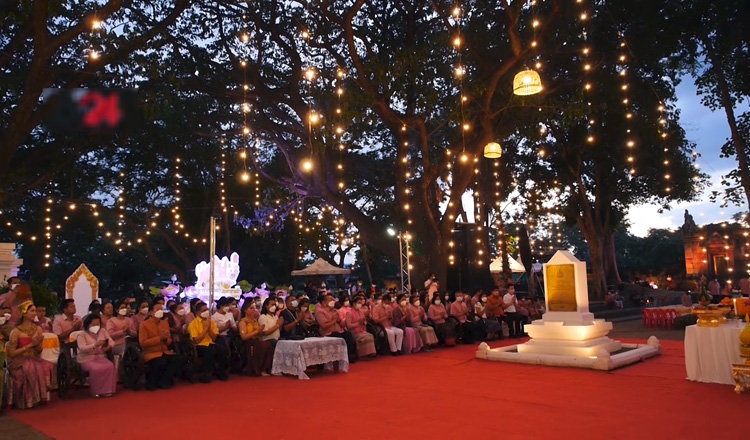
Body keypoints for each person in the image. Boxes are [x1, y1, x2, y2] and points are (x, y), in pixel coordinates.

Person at [6, 301, 53, 408]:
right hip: (18, 361)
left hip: (33, 358)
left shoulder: (38, 329)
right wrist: (31, 344)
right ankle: (29, 401)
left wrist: (38, 345)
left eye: (35, 311)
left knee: (47, 365)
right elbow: (12, 353)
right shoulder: (16, 331)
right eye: (32, 311)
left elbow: (38, 352)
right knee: (30, 367)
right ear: (24, 313)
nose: (35, 313)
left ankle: (39, 397)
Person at [138, 303, 183, 391]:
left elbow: (169, 340)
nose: (160, 311)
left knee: (178, 359)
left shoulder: (164, 323)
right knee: (160, 361)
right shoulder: (144, 325)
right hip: (151, 353)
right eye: (157, 309)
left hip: (165, 351)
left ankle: (165, 380)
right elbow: (143, 342)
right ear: (151, 312)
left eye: (161, 309)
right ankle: (153, 382)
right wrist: (159, 338)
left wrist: (166, 339)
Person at [76, 314, 117, 397]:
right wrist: (95, 345)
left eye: (97, 324)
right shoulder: (82, 335)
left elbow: (112, 342)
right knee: (96, 369)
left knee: (110, 366)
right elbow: (82, 348)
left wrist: (108, 346)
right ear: (88, 324)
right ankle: (96, 391)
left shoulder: (102, 331)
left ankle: (107, 390)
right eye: (93, 325)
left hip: (101, 357)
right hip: (86, 359)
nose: (96, 326)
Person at [187, 302, 228, 382]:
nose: (206, 312)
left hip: (210, 343)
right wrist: (205, 328)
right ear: (198, 312)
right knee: (210, 351)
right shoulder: (193, 324)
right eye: (204, 310)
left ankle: (221, 372)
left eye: (207, 310)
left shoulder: (210, 321)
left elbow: (214, 338)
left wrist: (209, 328)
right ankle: (205, 374)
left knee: (222, 349)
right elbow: (196, 340)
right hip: (199, 345)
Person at [315, 294, 359, 362]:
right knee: (337, 335)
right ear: (324, 302)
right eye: (330, 300)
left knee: (348, 334)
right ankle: (338, 358)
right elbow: (323, 326)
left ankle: (349, 355)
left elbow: (342, 325)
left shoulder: (336, 311)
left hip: (339, 331)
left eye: (333, 300)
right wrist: (334, 320)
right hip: (328, 333)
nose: (333, 302)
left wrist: (339, 320)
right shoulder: (320, 311)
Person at [238, 300, 273, 376]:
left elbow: (258, 334)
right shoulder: (243, 322)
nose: (253, 310)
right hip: (247, 342)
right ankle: (257, 369)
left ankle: (265, 368)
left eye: (254, 308)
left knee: (268, 344)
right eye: (251, 308)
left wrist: (260, 330)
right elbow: (244, 337)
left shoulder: (254, 320)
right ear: (245, 310)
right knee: (263, 346)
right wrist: (257, 331)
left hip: (256, 340)